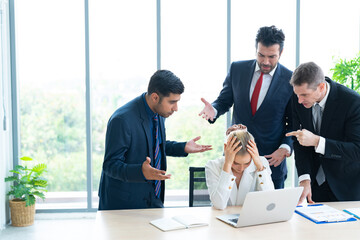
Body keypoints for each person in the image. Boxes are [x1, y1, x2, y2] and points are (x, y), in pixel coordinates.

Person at [98, 70, 212, 210]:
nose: (176, 108)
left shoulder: (159, 112)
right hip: (123, 204)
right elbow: (110, 165)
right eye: (172, 102)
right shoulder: (122, 120)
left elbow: (154, 145)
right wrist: (140, 171)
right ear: (155, 97)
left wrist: (183, 147)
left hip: (152, 198)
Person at [199, 25, 293, 189]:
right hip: (236, 160)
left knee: (270, 214)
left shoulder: (290, 79)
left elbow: (294, 122)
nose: (265, 61)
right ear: (256, 48)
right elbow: (224, 100)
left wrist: (285, 147)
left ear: (281, 53)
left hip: (271, 162)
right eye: (261, 55)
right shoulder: (238, 69)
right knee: (230, 211)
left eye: (272, 57)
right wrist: (213, 110)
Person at [286, 62, 360, 203]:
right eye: (297, 94)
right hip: (315, 186)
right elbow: (299, 141)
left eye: (304, 95)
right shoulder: (298, 98)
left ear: (321, 87)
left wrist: (317, 142)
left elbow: (357, 149)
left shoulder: (353, 102)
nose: (299, 100)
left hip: (346, 188)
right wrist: (304, 179)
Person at [205, 128, 274, 210]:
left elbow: (269, 200)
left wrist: (260, 167)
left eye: (246, 163)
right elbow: (219, 204)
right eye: (236, 163)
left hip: (251, 218)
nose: (241, 168)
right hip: (222, 218)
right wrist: (227, 165)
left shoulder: (261, 163)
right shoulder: (213, 166)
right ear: (225, 149)